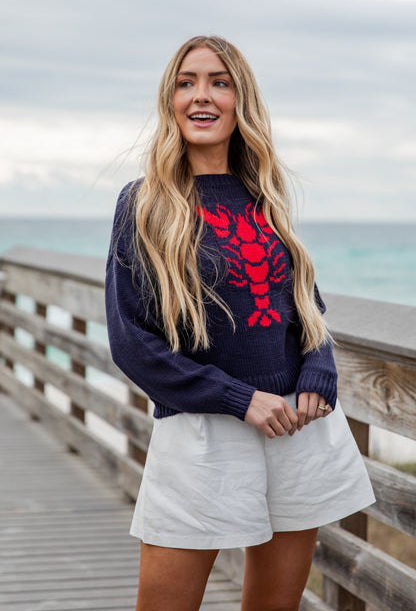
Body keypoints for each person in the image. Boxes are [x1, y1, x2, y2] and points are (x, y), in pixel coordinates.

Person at [105, 35, 375, 611]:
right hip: (203, 434)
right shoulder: (144, 203)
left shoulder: (265, 197)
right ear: (170, 100)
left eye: (219, 82)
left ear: (240, 100)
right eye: (186, 82)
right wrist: (238, 398)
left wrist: (318, 371)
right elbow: (131, 341)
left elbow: (306, 307)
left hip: (295, 432)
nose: (201, 96)